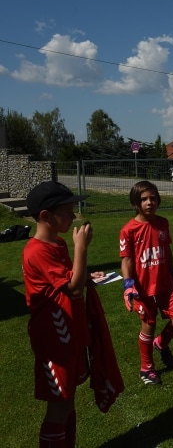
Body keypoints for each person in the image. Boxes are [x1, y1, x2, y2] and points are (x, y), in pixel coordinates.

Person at [22, 182, 93, 447]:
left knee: (69, 401)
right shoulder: (38, 250)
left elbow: (69, 280)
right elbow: (72, 289)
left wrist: (87, 277)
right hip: (54, 338)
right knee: (59, 407)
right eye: (67, 211)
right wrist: (81, 247)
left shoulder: (57, 243)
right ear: (45, 216)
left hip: (69, 333)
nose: (74, 217)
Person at [120, 181, 173, 385]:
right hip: (143, 289)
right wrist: (128, 284)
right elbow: (127, 260)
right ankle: (146, 368)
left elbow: (167, 251)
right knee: (149, 325)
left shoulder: (163, 223)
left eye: (153, 198)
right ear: (135, 203)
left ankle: (162, 343)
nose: (150, 202)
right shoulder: (128, 230)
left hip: (165, 284)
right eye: (144, 199)